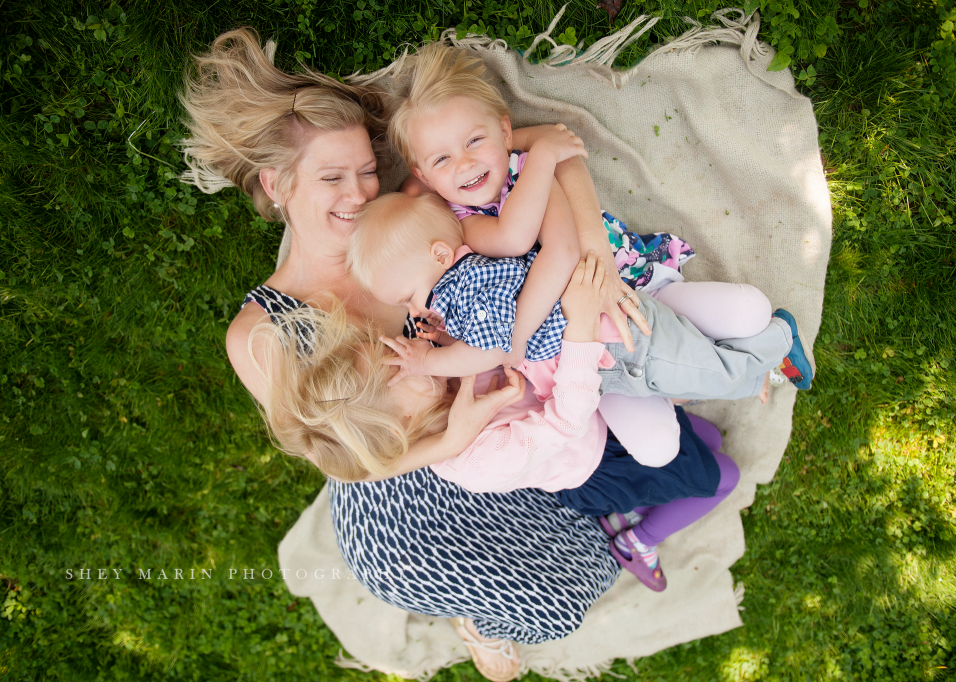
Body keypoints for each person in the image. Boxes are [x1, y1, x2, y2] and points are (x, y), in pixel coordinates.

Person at [180, 28, 659, 682]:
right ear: (278, 184)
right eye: (332, 178)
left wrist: (587, 232)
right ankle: (477, 617)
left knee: (613, 512)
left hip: (500, 422)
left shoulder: (400, 226)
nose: (357, 195)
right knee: (560, 598)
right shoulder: (264, 332)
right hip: (404, 492)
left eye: (366, 171)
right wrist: (450, 436)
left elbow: (527, 150)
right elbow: (346, 466)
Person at [268, 253, 742, 593]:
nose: (404, 347)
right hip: (600, 463)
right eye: (395, 362)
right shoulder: (475, 463)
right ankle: (636, 539)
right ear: (403, 421)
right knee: (723, 477)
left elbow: (495, 350)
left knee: (708, 438)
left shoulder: (434, 379)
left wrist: (451, 342)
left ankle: (634, 512)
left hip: (600, 421)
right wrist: (578, 327)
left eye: (388, 345)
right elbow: (565, 422)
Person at [347, 191, 813, 465]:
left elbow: (492, 349)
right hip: (607, 366)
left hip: (623, 340)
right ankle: (751, 364)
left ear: (440, 257)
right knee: (688, 393)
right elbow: (484, 334)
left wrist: (429, 358)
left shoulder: (466, 283)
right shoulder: (460, 291)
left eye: (409, 296)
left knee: (719, 377)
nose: (412, 309)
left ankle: (778, 343)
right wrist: (443, 336)